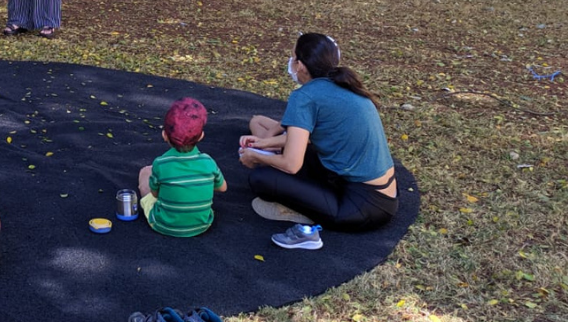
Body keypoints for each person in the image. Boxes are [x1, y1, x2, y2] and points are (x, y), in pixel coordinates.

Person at [239, 33, 398, 233]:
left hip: (360, 208)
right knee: (293, 157)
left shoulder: (305, 96)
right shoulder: (344, 85)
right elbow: (307, 139)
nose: (291, 63)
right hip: (385, 194)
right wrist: (263, 144)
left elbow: (291, 164)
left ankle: (305, 212)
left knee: (261, 178)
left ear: (301, 66)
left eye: (293, 58)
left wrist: (255, 156)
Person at [137, 98, 226, 238]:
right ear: (201, 136)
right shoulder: (208, 162)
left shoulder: (160, 163)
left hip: (162, 224)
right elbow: (222, 188)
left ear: (164, 135)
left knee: (145, 173)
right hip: (202, 225)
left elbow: (155, 194)